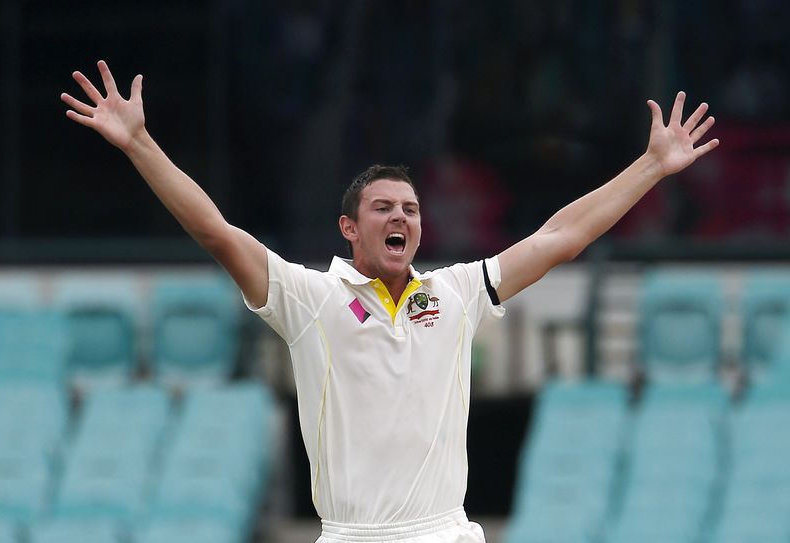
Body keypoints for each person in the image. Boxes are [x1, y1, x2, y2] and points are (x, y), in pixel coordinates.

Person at [61, 60, 719, 543]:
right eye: (382, 207)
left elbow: (561, 235)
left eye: (410, 208)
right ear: (350, 228)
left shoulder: (456, 292)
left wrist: (653, 165)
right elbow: (214, 230)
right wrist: (140, 143)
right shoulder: (309, 297)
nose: (399, 215)